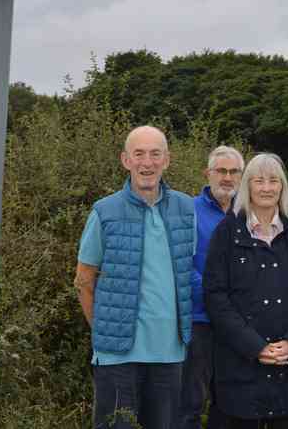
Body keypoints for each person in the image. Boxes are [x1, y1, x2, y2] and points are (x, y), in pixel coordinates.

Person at [74, 125, 196, 429]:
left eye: (155, 154)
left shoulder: (186, 209)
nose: (147, 162)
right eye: (139, 154)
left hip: (169, 353)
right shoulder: (104, 211)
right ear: (125, 160)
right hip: (117, 356)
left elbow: (187, 271)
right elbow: (83, 280)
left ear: (167, 160)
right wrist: (104, 330)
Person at [204, 153, 288, 428]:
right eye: (258, 180)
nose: (266, 188)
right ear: (247, 186)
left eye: (274, 180)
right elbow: (215, 295)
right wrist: (255, 346)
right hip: (240, 369)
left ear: (282, 187)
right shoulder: (227, 231)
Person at [179, 145, 245, 429]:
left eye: (233, 172)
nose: (227, 178)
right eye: (221, 171)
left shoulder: (249, 214)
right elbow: (181, 263)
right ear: (207, 173)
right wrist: (216, 299)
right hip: (200, 321)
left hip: (238, 324)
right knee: (191, 402)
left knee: (230, 401)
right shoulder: (189, 211)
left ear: (242, 176)